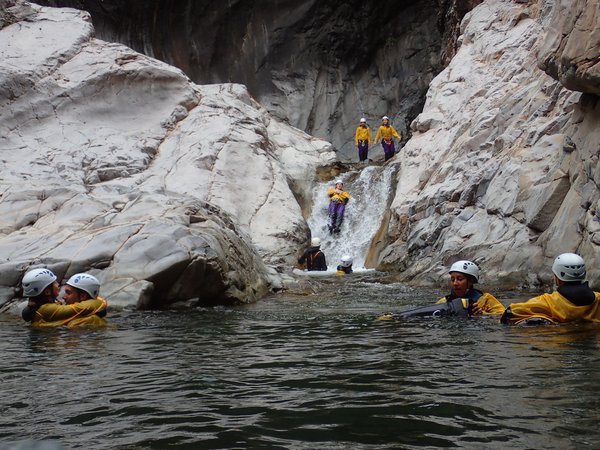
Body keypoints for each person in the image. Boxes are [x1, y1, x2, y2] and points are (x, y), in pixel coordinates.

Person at [501, 253, 600, 325]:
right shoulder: (598, 299)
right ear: (583, 274)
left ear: (558, 278)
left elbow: (511, 312)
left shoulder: (548, 301)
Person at [21, 268, 108, 328]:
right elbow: (79, 308)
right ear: (47, 292)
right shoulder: (47, 309)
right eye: (54, 283)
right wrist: (101, 302)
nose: (58, 284)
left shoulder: (41, 306)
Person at [437, 260, 505, 315]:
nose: (455, 283)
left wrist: (483, 314)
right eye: (452, 280)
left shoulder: (485, 300)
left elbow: (503, 315)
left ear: (471, 281)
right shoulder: (444, 302)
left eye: (460, 279)